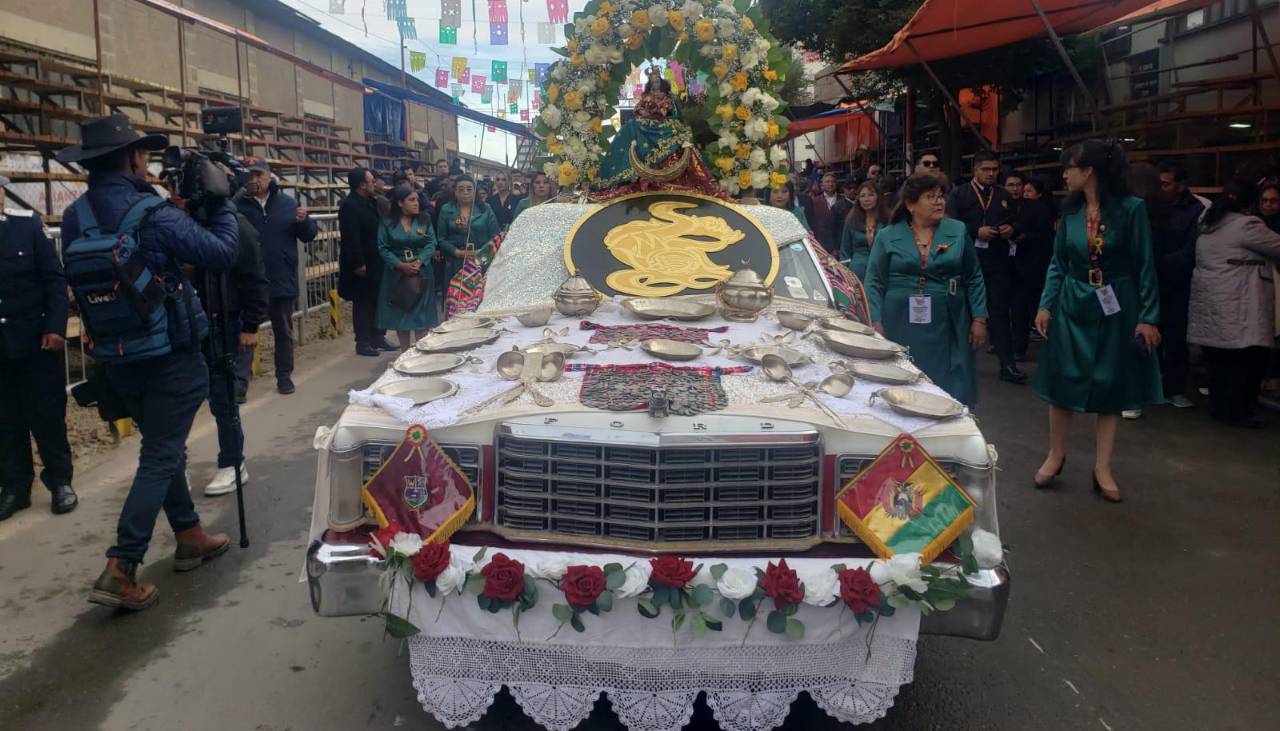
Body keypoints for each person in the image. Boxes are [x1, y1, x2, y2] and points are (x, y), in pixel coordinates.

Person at [58, 114, 239, 610]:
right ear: (132, 158)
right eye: (145, 155)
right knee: (161, 455)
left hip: (117, 356)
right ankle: (121, 565)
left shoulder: (77, 217)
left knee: (164, 448)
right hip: (172, 357)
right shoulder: (151, 212)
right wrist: (220, 203)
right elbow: (222, 252)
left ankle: (189, 535)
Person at [1032, 140, 1162, 503]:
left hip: (1118, 303)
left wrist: (1148, 317)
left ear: (1088, 171)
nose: (1064, 174)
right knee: (1063, 379)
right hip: (1073, 301)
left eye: (1069, 167)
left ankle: (1102, 467)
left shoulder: (1131, 210)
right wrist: (1046, 304)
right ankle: (1055, 455)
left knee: (1110, 382)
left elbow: (1145, 265)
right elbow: (1058, 263)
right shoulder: (1070, 213)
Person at [864, 174, 989, 406]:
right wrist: (875, 320)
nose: (939, 202)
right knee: (903, 376)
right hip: (899, 318)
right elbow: (873, 281)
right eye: (930, 197)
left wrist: (979, 319)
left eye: (941, 196)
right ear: (911, 204)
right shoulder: (887, 236)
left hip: (949, 317)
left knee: (950, 378)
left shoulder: (958, 230)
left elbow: (973, 277)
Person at [0, 174, 78, 521]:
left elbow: (54, 280)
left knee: (47, 415)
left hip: (37, 342)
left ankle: (60, 481)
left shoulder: (27, 227)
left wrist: (55, 327)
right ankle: (15, 488)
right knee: (5, 421)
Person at [183, 184, 268, 498]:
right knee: (180, 398)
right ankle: (174, 466)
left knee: (223, 397)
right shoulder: (176, 224)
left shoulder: (235, 225)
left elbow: (255, 277)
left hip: (224, 321)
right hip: (186, 323)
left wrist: (251, 324)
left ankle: (232, 462)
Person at [1188, 176, 1280, 427]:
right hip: (1240, 306)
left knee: (1219, 362)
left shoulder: (1207, 221)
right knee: (1250, 360)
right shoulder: (1247, 225)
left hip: (1212, 306)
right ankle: (1239, 411)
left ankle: (1219, 407)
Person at [234, 158, 317, 395]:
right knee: (246, 333)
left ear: (269, 176)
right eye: (250, 175)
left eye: (258, 174)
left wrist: (306, 222)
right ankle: (240, 383)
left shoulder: (287, 204)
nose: (254, 179)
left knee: (283, 331)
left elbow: (308, 236)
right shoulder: (238, 204)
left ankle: (284, 377)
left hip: (281, 278)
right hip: (249, 281)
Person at [948, 151, 1026, 384]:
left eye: (994, 169)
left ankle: (1008, 365)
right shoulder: (959, 194)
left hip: (998, 261)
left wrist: (1012, 230)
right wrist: (975, 232)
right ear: (975, 169)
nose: (991, 174)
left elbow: (1017, 221)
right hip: (967, 262)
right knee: (963, 312)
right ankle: (958, 362)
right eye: (986, 169)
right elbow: (950, 225)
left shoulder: (1003, 195)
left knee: (1000, 313)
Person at [1148, 160, 1206, 411]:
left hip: (1177, 279)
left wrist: (1161, 263)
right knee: (1148, 333)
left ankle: (1174, 388)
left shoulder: (1196, 210)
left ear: (1181, 185)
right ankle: (1149, 385)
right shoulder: (1149, 206)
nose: (1162, 188)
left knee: (1175, 336)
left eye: (1166, 184)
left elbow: (1193, 248)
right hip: (1150, 279)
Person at [376, 186, 440, 351]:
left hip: (422, 272)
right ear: (399, 203)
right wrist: (400, 265)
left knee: (421, 315)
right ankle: (404, 353)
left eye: (417, 199)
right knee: (401, 314)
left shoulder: (424, 219)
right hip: (397, 274)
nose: (416, 203)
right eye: (411, 200)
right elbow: (383, 247)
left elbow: (431, 242)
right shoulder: (387, 223)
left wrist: (419, 261)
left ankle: (422, 353)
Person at [339, 167, 393, 357]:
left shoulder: (372, 202)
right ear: (362, 185)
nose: (374, 183)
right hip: (361, 263)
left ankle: (378, 336)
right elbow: (350, 238)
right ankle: (363, 341)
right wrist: (358, 263)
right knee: (363, 303)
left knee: (378, 300)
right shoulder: (349, 206)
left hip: (377, 260)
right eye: (371, 181)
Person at [1012, 177, 1056, 360]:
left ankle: (1022, 346)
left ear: (1038, 192)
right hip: (1026, 264)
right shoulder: (1019, 206)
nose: (1025, 193)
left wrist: (1024, 237)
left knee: (1026, 306)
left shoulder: (1041, 209)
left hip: (1034, 263)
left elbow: (1043, 235)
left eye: (1029, 190)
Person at [436, 175, 499, 289]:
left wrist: (480, 252)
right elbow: (441, 238)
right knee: (455, 297)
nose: (465, 192)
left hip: (480, 261)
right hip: (455, 262)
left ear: (475, 192)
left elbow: (495, 236)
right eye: (461, 189)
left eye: (469, 189)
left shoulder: (486, 208)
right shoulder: (446, 209)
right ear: (455, 192)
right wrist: (457, 252)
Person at [840, 181, 889, 281]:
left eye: (871, 195)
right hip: (857, 273)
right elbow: (845, 250)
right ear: (858, 199)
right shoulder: (851, 220)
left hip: (882, 271)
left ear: (878, 197)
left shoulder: (888, 220)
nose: (866, 199)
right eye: (862, 196)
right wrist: (846, 275)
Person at [810, 173, 850, 254]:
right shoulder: (814, 201)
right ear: (822, 184)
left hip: (840, 243)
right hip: (822, 243)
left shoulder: (844, 201)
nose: (830, 184)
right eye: (827, 182)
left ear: (836, 184)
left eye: (833, 182)